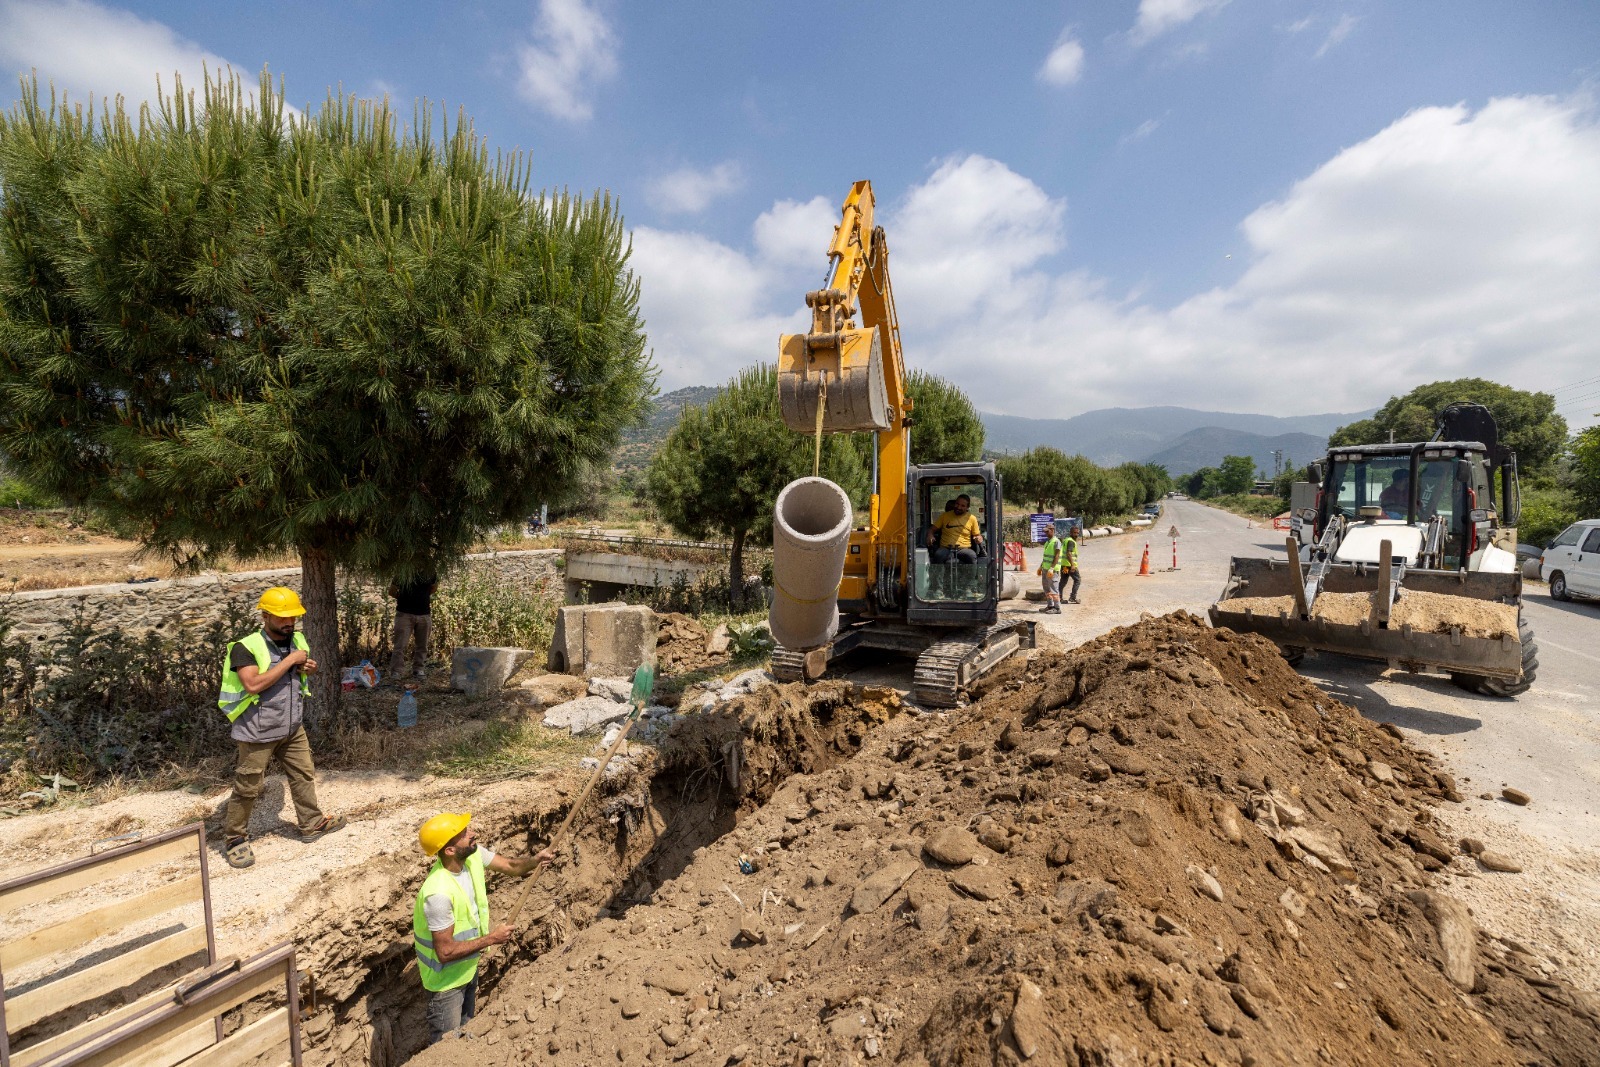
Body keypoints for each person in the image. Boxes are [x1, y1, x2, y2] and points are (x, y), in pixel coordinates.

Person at [216, 587, 345, 869]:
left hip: (291, 725)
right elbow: (253, 684)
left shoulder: (296, 639)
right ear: (265, 616)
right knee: (248, 786)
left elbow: (298, 672)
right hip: (257, 730)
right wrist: (290, 661)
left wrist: (307, 668)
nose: (289, 623)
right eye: (282, 618)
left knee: (303, 774)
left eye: (293, 618)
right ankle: (235, 839)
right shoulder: (246, 647)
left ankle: (311, 823)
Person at [414, 813, 556, 1044]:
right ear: (449, 850)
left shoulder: (473, 856)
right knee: (445, 1048)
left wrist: (535, 860)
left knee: (466, 1033)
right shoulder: (438, 893)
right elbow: (445, 952)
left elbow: (511, 866)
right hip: (446, 986)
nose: (473, 835)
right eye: (463, 834)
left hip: (468, 970)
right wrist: (491, 939)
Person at [388, 572, 439, 682]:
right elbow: (391, 591)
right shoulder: (402, 572)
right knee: (400, 645)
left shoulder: (430, 572)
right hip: (404, 614)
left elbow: (434, 588)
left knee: (422, 645)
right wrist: (403, 598)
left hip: (424, 614)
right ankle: (396, 672)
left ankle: (418, 670)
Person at [1037, 528, 1063, 613]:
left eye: (1047, 531)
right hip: (1045, 569)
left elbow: (1057, 556)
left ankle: (1057, 608)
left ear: (1052, 530)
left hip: (1053, 570)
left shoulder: (1056, 542)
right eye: (1045, 532)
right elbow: (1046, 557)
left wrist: (1052, 568)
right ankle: (1050, 605)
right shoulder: (1048, 542)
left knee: (1054, 589)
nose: (1046, 533)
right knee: (1046, 588)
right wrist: (1041, 567)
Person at [1062, 525, 1082, 605]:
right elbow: (1068, 553)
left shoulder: (1066, 540)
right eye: (1074, 533)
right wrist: (1073, 565)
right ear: (1070, 533)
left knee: (1063, 581)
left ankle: (1059, 597)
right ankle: (1073, 597)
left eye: (1077, 533)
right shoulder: (1071, 541)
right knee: (1077, 580)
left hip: (1064, 565)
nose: (1076, 534)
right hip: (1070, 566)